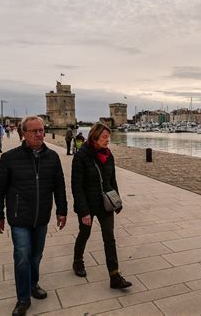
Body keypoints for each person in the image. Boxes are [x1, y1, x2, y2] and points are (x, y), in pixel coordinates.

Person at [0, 116, 68, 316]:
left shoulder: (52, 157)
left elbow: (59, 186)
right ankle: (23, 299)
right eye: (34, 131)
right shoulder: (9, 158)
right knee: (23, 256)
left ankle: (33, 284)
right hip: (19, 217)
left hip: (42, 216)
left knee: (36, 255)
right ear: (23, 133)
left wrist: (62, 211)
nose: (39, 134)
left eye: (41, 130)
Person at [71, 123, 132, 289]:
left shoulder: (108, 155)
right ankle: (78, 261)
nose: (107, 140)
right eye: (104, 137)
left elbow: (112, 180)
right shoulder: (81, 156)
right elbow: (76, 186)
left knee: (109, 238)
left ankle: (115, 276)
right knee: (84, 233)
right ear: (94, 137)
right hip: (88, 204)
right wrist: (83, 212)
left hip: (105, 203)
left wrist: (117, 201)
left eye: (108, 137)